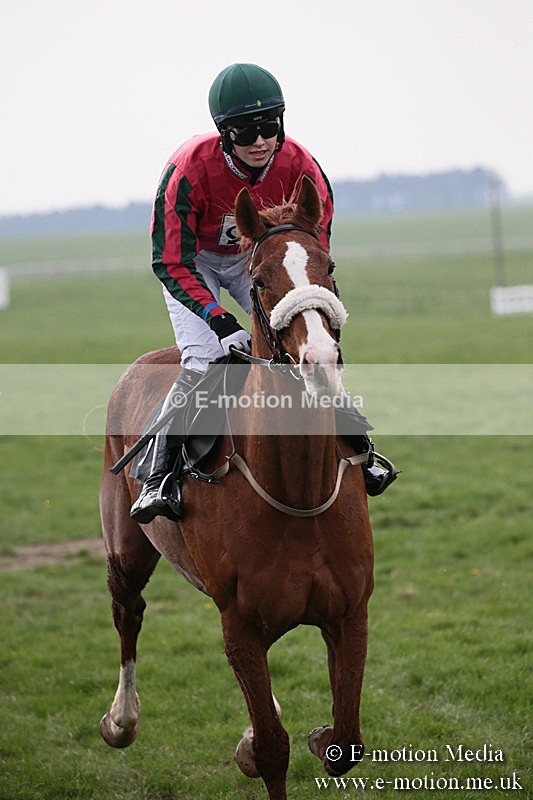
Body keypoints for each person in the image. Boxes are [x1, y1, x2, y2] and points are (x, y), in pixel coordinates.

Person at [130, 63, 397, 524]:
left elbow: (316, 251)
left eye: (269, 128)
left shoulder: (301, 166)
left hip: (260, 256)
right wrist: (218, 317)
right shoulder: (188, 172)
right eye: (245, 133)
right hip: (193, 261)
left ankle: (361, 449)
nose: (259, 142)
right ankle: (158, 475)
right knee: (203, 358)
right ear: (223, 134)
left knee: (308, 341)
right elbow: (169, 260)